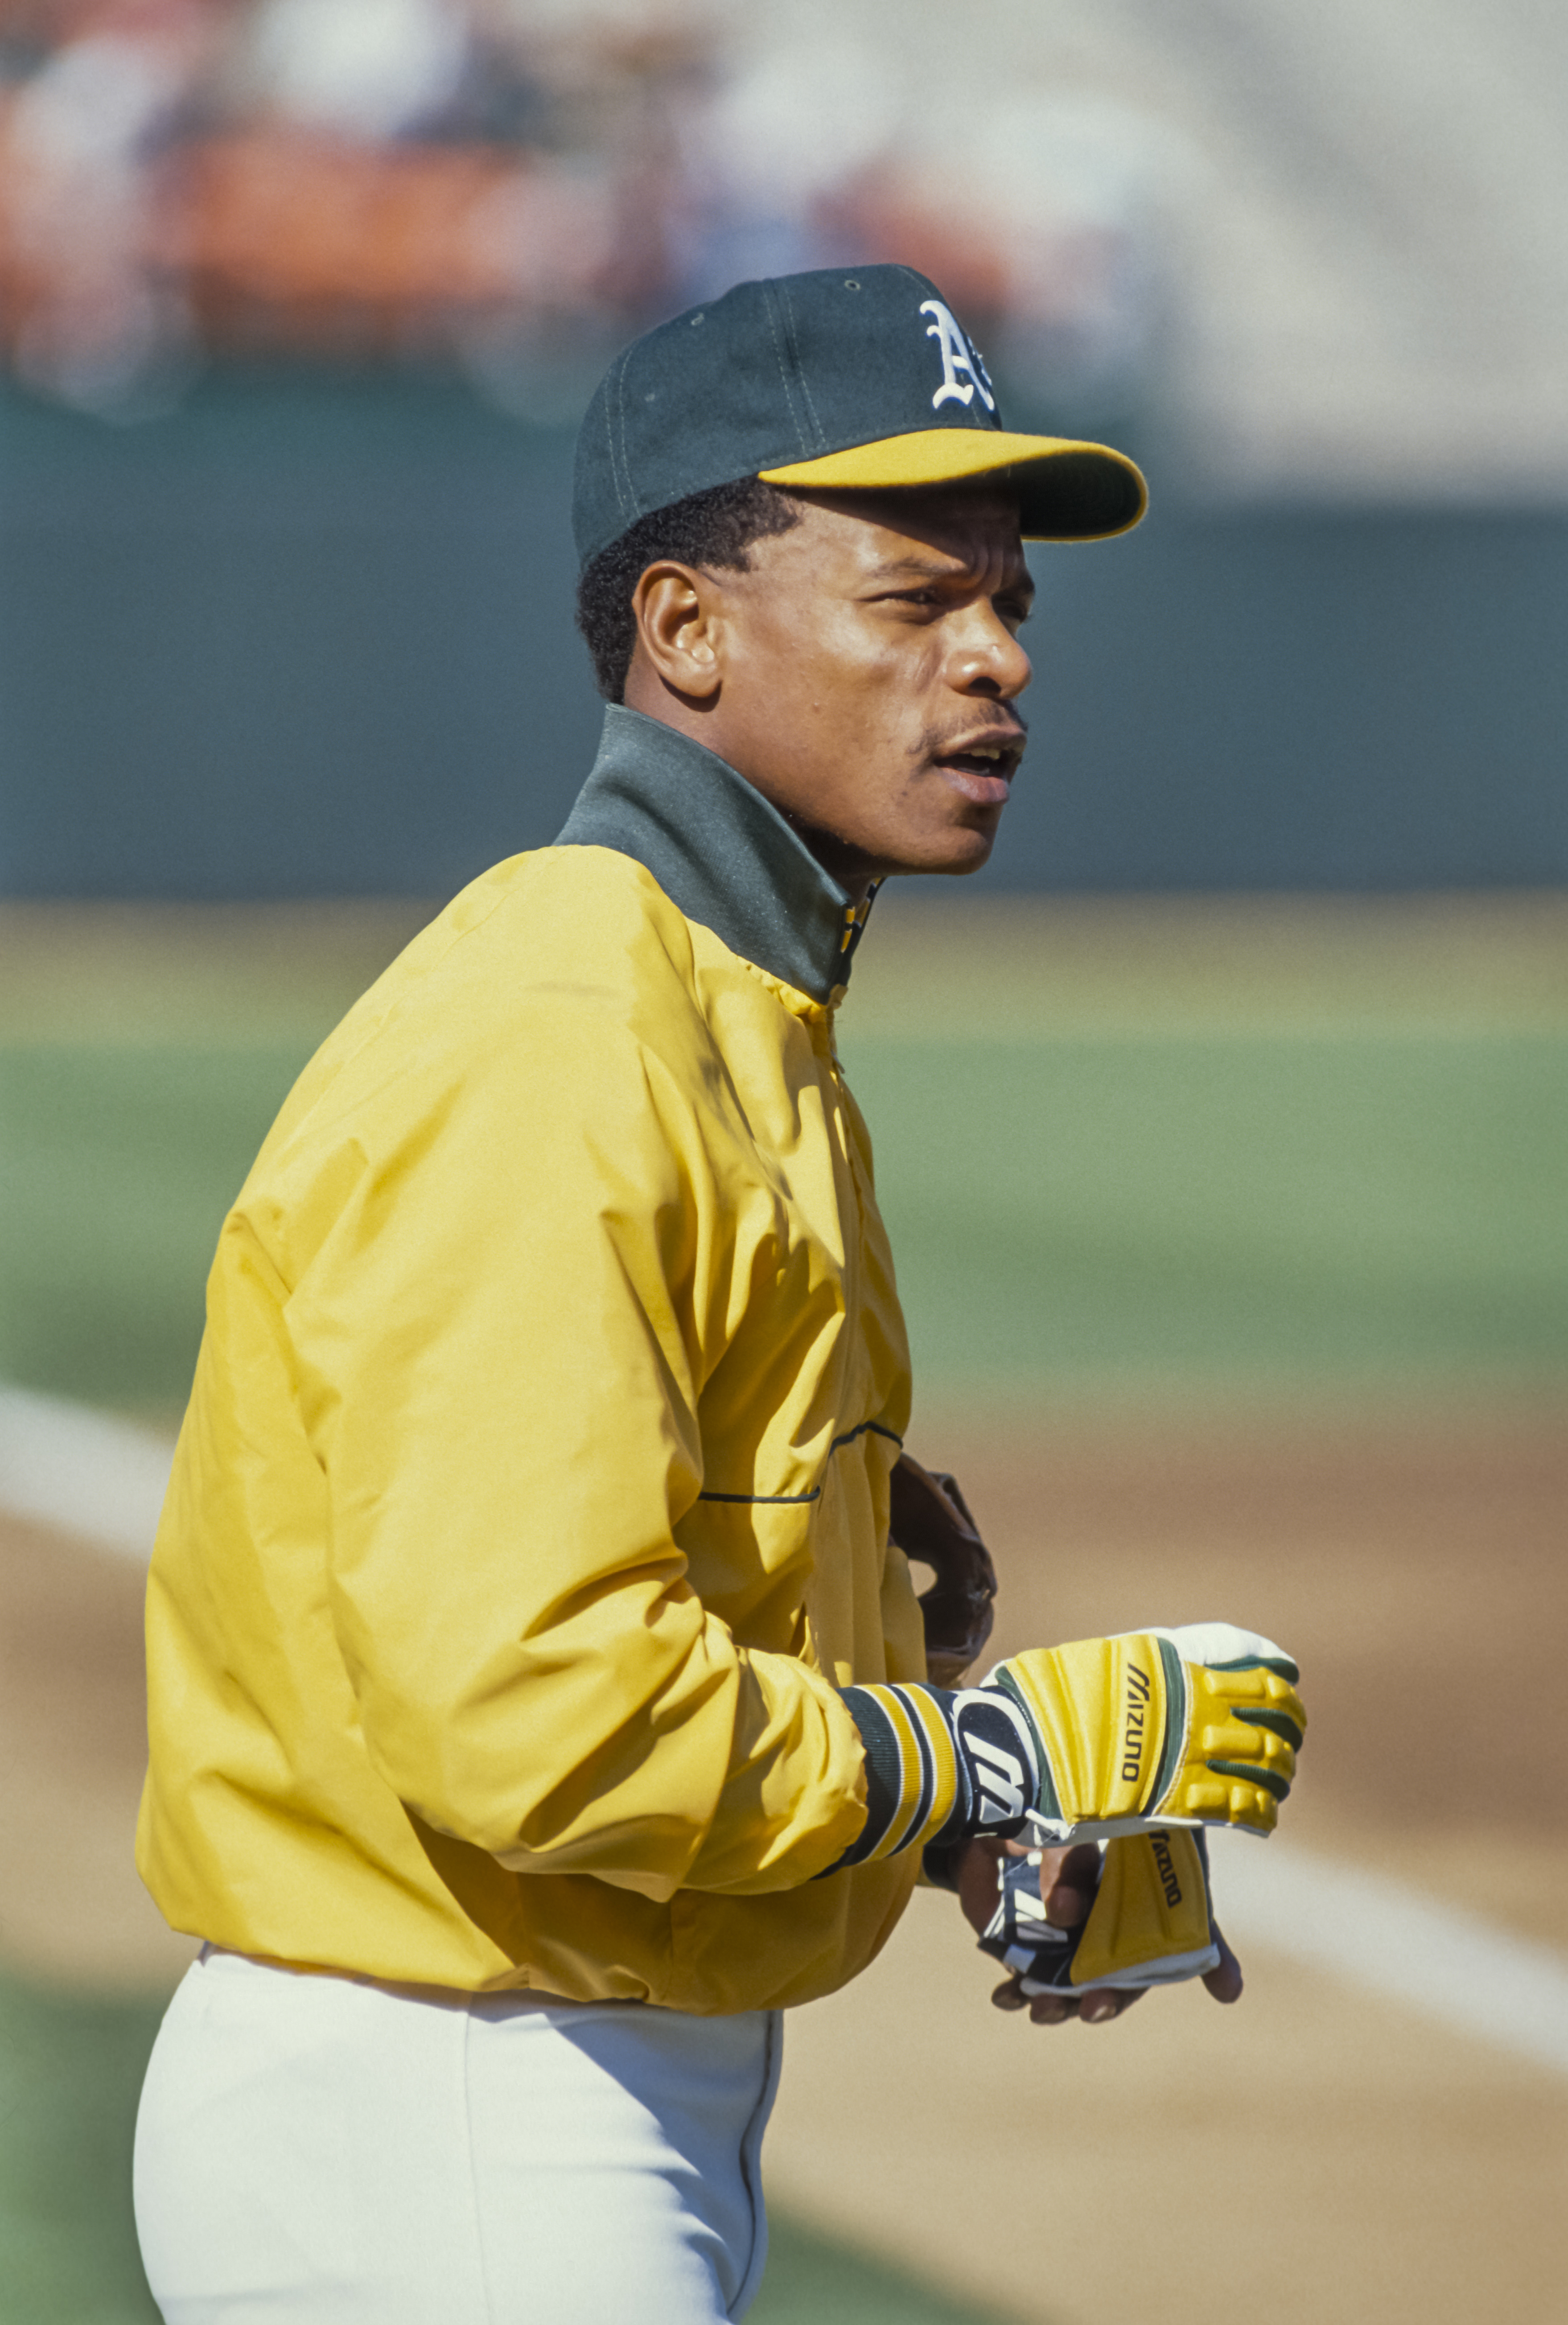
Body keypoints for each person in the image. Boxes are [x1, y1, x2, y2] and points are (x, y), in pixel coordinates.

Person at [132, 263, 1301, 2323]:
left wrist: (943, 1819)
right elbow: (526, 1705)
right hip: (452, 2107)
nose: (996, 658)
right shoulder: (560, 1039)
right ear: (685, 631)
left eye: (1010, 599)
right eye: (912, 596)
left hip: (526, 2090)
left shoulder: (729, 1011)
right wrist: (974, 1763)